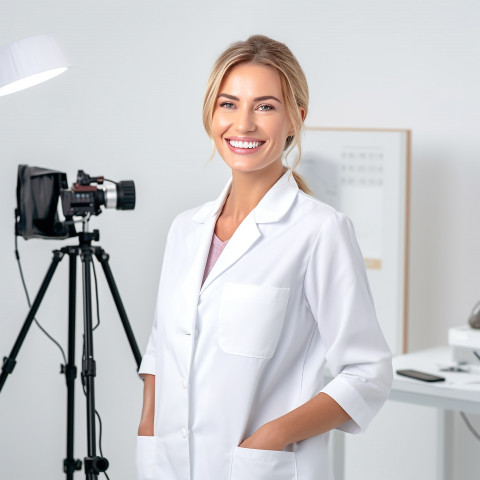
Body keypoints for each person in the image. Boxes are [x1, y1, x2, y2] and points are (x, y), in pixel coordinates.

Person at [136, 34, 393, 480]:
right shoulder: (185, 230)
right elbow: (163, 348)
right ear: (211, 115)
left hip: (260, 468)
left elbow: (369, 372)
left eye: (266, 106)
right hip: (170, 467)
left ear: (296, 119)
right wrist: (147, 429)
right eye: (229, 104)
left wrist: (272, 436)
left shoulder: (319, 231)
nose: (244, 124)